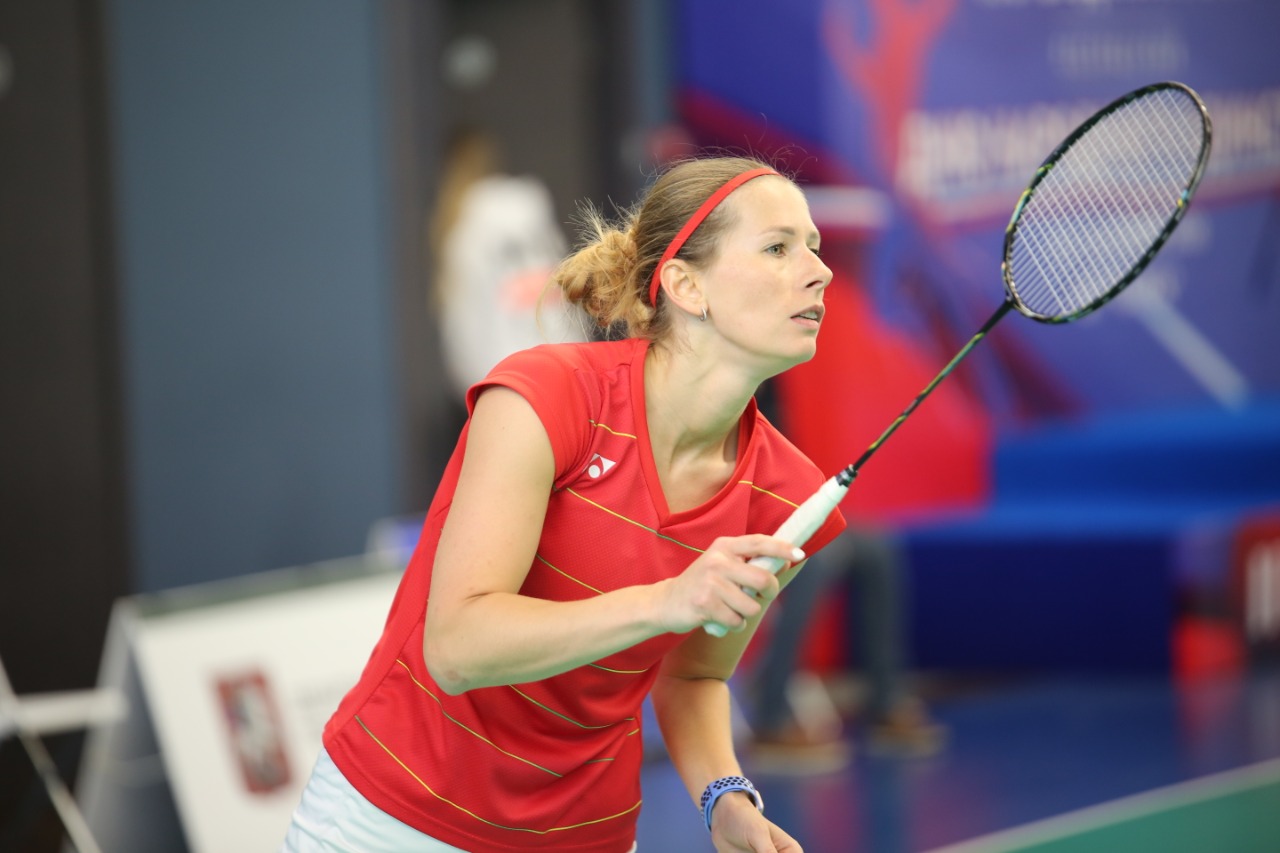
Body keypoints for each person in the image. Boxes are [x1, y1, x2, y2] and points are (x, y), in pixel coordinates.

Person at [282, 156, 847, 853]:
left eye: (814, 246)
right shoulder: (548, 398)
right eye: (778, 248)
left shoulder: (785, 491)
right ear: (685, 285)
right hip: (394, 818)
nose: (820, 272)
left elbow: (695, 672)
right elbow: (457, 646)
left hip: (587, 834)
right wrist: (667, 600)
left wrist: (723, 797)